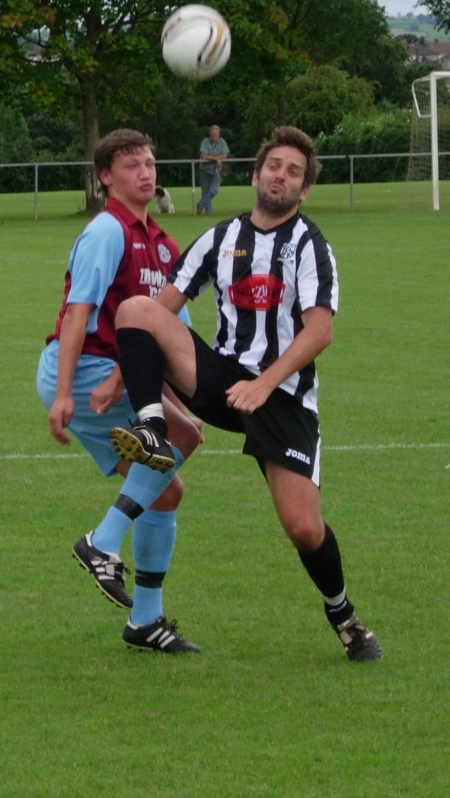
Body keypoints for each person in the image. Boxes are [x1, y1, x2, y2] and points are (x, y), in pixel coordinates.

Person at [109, 125, 383, 663]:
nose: (281, 175)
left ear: (303, 191)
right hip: (220, 376)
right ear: (257, 175)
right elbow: (163, 306)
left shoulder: (310, 245)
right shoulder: (219, 237)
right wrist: (122, 377)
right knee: (135, 308)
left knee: (304, 527)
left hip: (282, 397)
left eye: (294, 172)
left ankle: (343, 615)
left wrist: (265, 383)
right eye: (275, 166)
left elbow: (319, 330)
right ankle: (152, 427)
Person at [36, 128, 202, 653]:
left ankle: (144, 622)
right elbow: (77, 314)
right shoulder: (109, 232)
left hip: (122, 372)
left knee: (167, 488)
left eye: (150, 163)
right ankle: (101, 542)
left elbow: (174, 334)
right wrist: (63, 393)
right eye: (131, 165)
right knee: (183, 436)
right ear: (106, 177)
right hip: (85, 368)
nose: (145, 173)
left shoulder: (163, 243)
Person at [196, 124, 229, 215]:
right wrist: (216, 159)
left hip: (216, 170)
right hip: (204, 169)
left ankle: (200, 204)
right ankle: (209, 211)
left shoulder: (222, 142)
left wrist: (214, 158)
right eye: (212, 133)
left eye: (215, 133)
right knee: (205, 190)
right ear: (210, 134)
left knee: (214, 190)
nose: (214, 135)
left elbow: (225, 155)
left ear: (219, 134)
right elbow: (203, 156)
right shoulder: (205, 141)